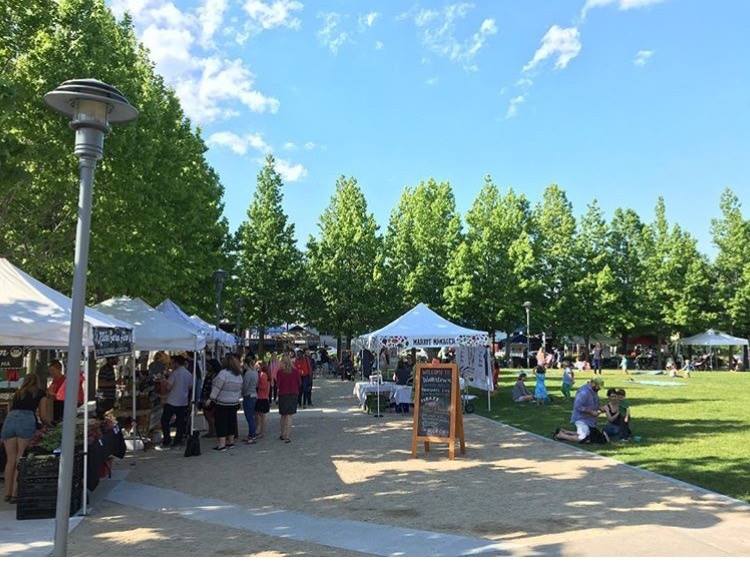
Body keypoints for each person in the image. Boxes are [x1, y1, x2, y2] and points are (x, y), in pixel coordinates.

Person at [1, 374, 46, 502]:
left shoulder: (17, 393)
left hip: (10, 421)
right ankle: (15, 493)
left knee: (10, 460)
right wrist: (46, 424)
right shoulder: (40, 393)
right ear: (37, 382)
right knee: (21, 458)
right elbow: (43, 415)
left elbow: (11, 409)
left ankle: (7, 493)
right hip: (26, 421)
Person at [554, 377, 608, 444]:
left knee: (588, 434)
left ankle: (564, 431)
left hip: (589, 419)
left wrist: (600, 408)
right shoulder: (584, 392)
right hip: (581, 418)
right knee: (582, 437)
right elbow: (578, 406)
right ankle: (561, 435)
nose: (599, 389)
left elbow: (593, 403)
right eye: (598, 387)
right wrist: (591, 412)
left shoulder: (594, 391)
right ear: (593, 384)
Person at [208, 354, 243, 451]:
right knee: (231, 422)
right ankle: (231, 442)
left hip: (222, 403)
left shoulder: (223, 373)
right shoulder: (238, 375)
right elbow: (240, 389)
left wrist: (211, 398)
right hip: (234, 402)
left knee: (221, 423)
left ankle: (222, 444)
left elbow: (217, 387)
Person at [159, 355, 192, 448]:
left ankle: (167, 439)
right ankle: (178, 440)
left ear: (176, 363)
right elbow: (190, 387)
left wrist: (164, 382)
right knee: (180, 422)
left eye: (172, 363)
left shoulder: (175, 373)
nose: (171, 365)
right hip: (183, 401)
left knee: (165, 420)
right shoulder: (188, 374)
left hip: (172, 400)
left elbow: (168, 387)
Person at [47, 359, 84, 424]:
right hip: (53, 409)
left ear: (59, 369)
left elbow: (64, 396)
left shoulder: (65, 381)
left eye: (53, 370)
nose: (51, 372)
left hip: (62, 409)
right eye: (50, 370)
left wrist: (52, 394)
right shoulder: (53, 382)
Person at [276, 354, 301, 443]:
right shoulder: (295, 371)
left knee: (283, 415)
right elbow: (299, 382)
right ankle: (287, 435)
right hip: (293, 394)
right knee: (289, 415)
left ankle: (282, 433)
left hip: (283, 394)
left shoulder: (280, 372)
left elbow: (277, 384)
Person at [200, 358, 222, 437]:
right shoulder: (209, 374)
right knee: (207, 415)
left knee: (210, 415)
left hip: (212, 397)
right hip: (206, 396)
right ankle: (211, 430)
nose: (207, 367)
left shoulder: (216, 375)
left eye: (208, 365)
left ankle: (213, 431)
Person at [241, 355, 259, 444]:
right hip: (254, 394)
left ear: (246, 364)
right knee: (252, 416)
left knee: (249, 417)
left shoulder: (248, 373)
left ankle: (252, 435)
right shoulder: (255, 372)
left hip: (248, 395)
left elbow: (245, 386)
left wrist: (242, 393)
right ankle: (251, 434)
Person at [255, 361, 271, 439]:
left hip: (262, 397)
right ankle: (260, 431)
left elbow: (263, 387)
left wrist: (257, 385)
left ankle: (261, 432)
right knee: (260, 415)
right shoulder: (264, 374)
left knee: (261, 416)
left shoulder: (262, 375)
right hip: (263, 397)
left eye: (258, 365)